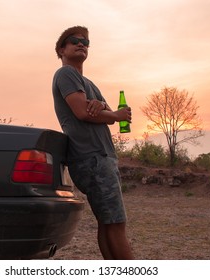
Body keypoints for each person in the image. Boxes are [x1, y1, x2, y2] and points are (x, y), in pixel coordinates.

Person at [52, 26, 133, 260]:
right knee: (116, 224)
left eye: (85, 42)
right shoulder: (65, 74)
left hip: (100, 157)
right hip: (93, 157)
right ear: (61, 49)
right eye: (74, 41)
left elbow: (104, 113)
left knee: (108, 223)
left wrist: (103, 108)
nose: (81, 44)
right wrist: (114, 114)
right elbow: (82, 112)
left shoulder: (88, 83)